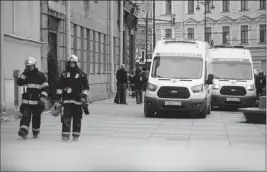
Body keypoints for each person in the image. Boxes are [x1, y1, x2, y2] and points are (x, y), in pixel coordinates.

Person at [54, 54, 89, 141]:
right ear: (68, 63)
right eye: (70, 63)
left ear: (76, 63)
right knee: (66, 118)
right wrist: (58, 99)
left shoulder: (82, 74)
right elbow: (59, 87)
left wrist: (84, 97)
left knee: (77, 119)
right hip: (67, 101)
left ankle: (75, 136)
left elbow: (86, 87)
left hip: (78, 101)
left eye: (73, 63)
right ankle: (65, 135)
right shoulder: (64, 74)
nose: (71, 65)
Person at [17, 56, 49, 139]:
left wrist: (43, 97)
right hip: (26, 102)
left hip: (37, 102)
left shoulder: (41, 75)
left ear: (34, 65)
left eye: (30, 66)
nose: (29, 67)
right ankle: (23, 132)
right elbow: (19, 83)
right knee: (25, 117)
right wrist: (24, 73)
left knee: (36, 119)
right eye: (27, 66)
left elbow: (46, 88)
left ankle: (35, 132)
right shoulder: (25, 75)